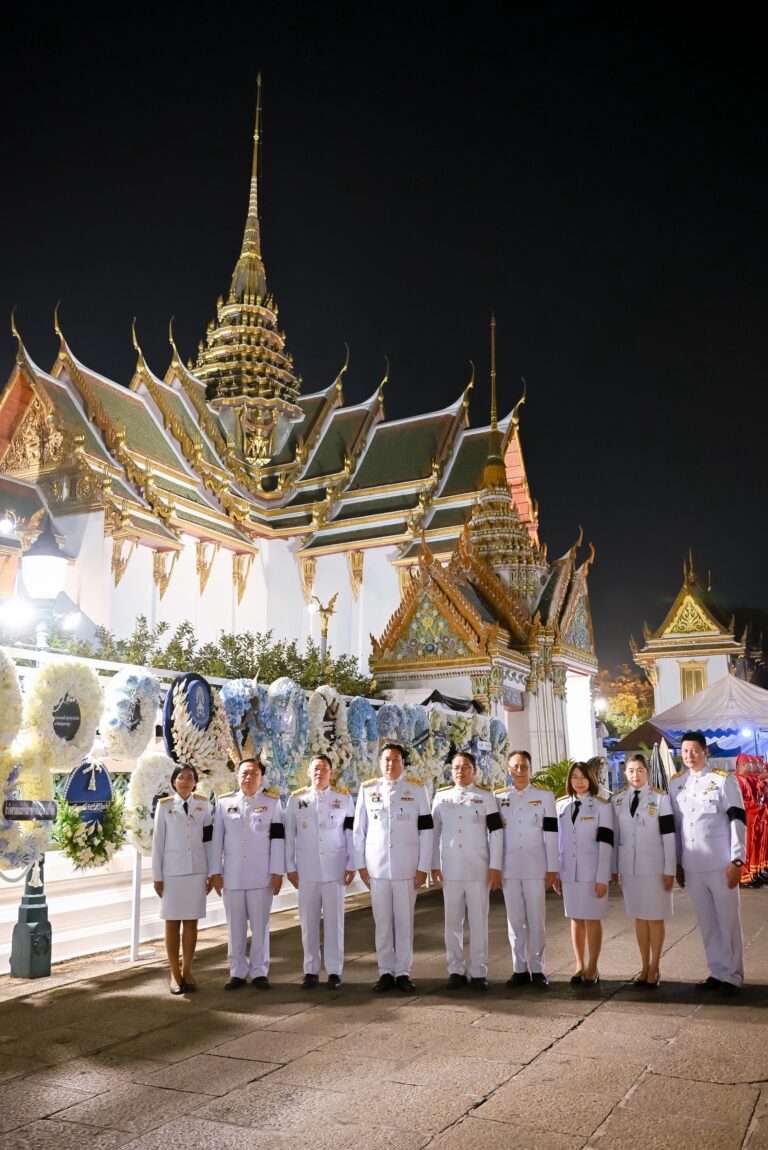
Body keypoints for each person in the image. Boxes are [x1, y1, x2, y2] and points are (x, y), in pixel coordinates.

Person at [669, 730, 746, 994]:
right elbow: (678, 827)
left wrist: (737, 860)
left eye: (694, 750)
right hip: (692, 865)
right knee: (707, 922)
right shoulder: (677, 784)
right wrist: (678, 863)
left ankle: (733, 976)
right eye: (684, 751)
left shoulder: (723, 780)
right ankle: (717, 971)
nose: (689, 756)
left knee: (728, 921)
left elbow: (738, 820)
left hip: (721, 864)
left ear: (705, 751)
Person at [353, 742, 433, 993]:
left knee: (404, 922)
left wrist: (423, 866)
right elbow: (359, 830)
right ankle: (385, 971)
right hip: (377, 868)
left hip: (407, 867)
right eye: (386, 759)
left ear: (403, 763)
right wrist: (360, 865)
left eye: (395, 759)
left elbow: (426, 831)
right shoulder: (368, 789)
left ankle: (403, 972)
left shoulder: (417, 790)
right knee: (382, 922)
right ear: (380, 763)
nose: (390, 764)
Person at [209, 758, 285, 990]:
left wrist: (277, 872)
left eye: (254, 773)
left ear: (261, 778)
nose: (248, 777)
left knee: (260, 926)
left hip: (261, 875)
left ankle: (259, 971)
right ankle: (237, 971)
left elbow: (278, 840)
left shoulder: (272, 803)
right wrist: (215, 872)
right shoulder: (224, 803)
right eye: (244, 773)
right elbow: (216, 840)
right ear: (237, 776)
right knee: (235, 926)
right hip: (232, 876)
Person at [430, 751, 503, 992]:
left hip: (478, 869)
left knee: (479, 921)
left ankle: (479, 970)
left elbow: (496, 833)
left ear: (474, 770)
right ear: (451, 771)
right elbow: (433, 834)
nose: (460, 771)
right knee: (452, 921)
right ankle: (456, 969)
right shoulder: (441, 797)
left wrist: (495, 865)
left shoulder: (486, 797)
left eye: (465, 767)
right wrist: (434, 865)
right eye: (456, 767)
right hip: (450, 869)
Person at [284, 753, 356, 988]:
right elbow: (289, 837)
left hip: (335, 870)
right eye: (315, 768)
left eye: (324, 768)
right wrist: (290, 867)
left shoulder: (343, 798)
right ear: (308, 772)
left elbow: (350, 834)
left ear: (331, 772)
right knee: (308, 922)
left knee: (335, 922)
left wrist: (351, 863)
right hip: (307, 871)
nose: (319, 772)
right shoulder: (296, 800)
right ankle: (310, 970)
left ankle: (334, 971)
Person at [495, 749, 559, 988]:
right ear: (508, 769)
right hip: (509, 867)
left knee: (536, 919)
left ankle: (538, 968)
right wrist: (495, 866)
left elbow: (551, 833)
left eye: (524, 766)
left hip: (535, 867)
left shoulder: (544, 796)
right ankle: (519, 968)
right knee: (514, 921)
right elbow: (495, 835)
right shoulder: (498, 797)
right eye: (515, 766)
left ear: (531, 769)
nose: (519, 771)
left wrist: (552, 867)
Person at [611, 753, 676, 988]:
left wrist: (670, 869)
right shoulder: (617, 800)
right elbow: (615, 837)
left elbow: (669, 836)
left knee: (655, 916)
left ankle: (655, 966)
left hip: (655, 868)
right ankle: (644, 965)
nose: (635, 775)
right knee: (639, 916)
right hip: (629, 868)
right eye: (631, 770)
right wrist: (614, 867)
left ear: (647, 772)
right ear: (624, 773)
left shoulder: (660, 798)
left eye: (640, 770)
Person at [152, 764, 213, 995]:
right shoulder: (164, 806)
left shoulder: (204, 805)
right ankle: (174, 973)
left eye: (189, 777)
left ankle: (187, 971)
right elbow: (158, 842)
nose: (185, 781)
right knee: (171, 922)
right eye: (180, 777)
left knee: (191, 922)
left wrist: (211, 871)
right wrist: (157, 876)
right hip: (172, 872)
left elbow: (209, 841)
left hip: (197, 870)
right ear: (173, 782)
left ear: (195, 782)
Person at [557, 760, 614, 986]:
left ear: (591, 779)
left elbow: (606, 843)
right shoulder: (561, 806)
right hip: (569, 872)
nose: (579, 781)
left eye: (583, 777)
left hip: (592, 873)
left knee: (592, 919)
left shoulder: (601, 807)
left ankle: (593, 966)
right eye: (575, 777)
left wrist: (602, 877)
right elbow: (558, 843)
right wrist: (557, 873)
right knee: (576, 918)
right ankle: (579, 964)